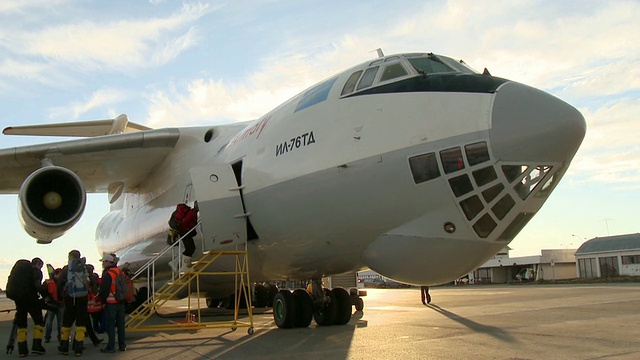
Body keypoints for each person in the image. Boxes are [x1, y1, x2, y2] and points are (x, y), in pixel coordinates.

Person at [6, 257, 47, 356]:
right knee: (39, 322)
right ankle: (37, 346)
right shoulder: (35, 272)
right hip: (31, 300)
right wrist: (45, 294)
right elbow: (37, 286)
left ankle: (22, 350)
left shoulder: (21, 272)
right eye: (40, 266)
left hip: (19, 299)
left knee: (22, 323)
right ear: (38, 264)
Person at [57, 249, 90, 356]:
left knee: (66, 323)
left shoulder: (67, 269)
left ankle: (64, 347)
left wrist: (59, 297)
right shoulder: (84, 268)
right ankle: (78, 349)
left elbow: (59, 284)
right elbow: (91, 282)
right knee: (80, 323)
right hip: (82, 298)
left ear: (70, 257)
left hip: (69, 298)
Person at [99, 253, 127, 353]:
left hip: (111, 303)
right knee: (121, 325)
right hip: (120, 302)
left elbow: (104, 290)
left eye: (103, 262)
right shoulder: (120, 272)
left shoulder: (108, 274)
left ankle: (111, 346)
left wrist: (102, 301)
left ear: (108, 262)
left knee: (110, 326)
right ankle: (122, 345)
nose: (103, 264)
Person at [169, 201, 199, 271]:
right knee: (190, 248)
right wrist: (189, 230)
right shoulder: (193, 213)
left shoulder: (192, 212)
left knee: (189, 248)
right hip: (185, 232)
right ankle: (184, 267)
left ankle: (175, 263)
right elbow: (186, 222)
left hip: (184, 232)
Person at [85, 263, 104, 347]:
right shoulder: (93, 278)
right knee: (92, 319)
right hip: (92, 301)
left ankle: (92, 338)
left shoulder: (84, 277)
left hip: (86, 301)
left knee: (85, 322)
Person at [43, 268, 63, 344]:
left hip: (59, 304)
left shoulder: (62, 282)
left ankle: (60, 337)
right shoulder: (48, 282)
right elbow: (43, 290)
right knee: (49, 323)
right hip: (52, 304)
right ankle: (47, 337)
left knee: (60, 323)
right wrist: (46, 298)